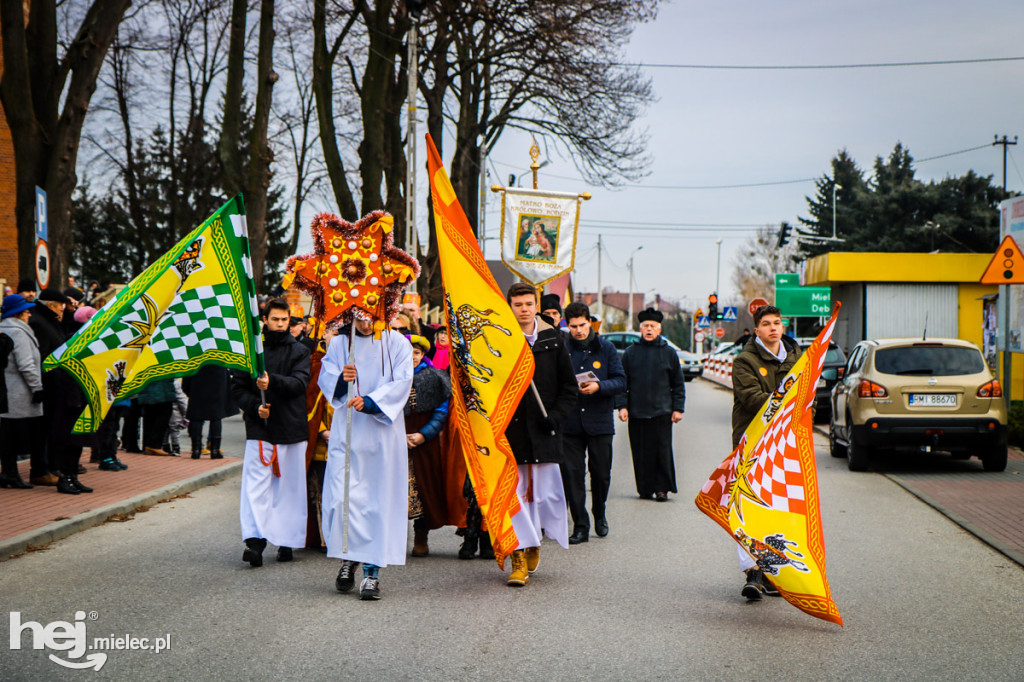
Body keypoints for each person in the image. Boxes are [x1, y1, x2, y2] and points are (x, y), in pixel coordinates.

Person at [318, 315, 413, 601]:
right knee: (344, 498)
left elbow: (402, 382)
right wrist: (340, 380)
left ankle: (372, 573)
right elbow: (327, 376)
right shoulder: (340, 345)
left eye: (371, 318)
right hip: (348, 431)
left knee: (376, 502)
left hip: (381, 435)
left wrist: (371, 402)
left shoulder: (396, 343)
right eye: (359, 317)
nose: (366, 324)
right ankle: (349, 560)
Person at [503, 282, 577, 587]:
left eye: (528, 304)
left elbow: (569, 388)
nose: (523, 310)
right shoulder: (502, 339)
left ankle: (535, 540)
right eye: (517, 304)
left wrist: (556, 418)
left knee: (544, 495)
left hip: (545, 431)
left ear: (536, 306)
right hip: (512, 431)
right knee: (515, 496)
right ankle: (518, 556)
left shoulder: (554, 340)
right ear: (510, 307)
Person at [230, 298, 312, 567]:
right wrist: (255, 407)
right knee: (256, 487)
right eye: (274, 319)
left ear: (290, 320)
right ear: (264, 320)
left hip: (291, 427)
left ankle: (286, 540)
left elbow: (300, 383)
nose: (279, 324)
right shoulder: (251, 352)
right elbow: (238, 389)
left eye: (284, 319)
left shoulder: (300, 350)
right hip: (260, 429)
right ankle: (255, 542)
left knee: (289, 488)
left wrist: (271, 381)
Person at [730, 304, 802, 602]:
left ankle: (773, 572)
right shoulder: (744, 361)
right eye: (767, 324)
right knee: (749, 508)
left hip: (786, 445)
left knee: (779, 510)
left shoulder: (797, 358)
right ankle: (754, 573)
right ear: (756, 330)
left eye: (777, 323)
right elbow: (751, 398)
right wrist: (787, 402)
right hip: (753, 444)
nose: (773, 328)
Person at [560, 301, 626, 543]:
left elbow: (620, 381)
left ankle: (600, 511)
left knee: (600, 474)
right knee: (573, 475)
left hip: (599, 422)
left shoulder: (606, 348)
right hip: (570, 423)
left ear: (590, 322)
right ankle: (580, 524)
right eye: (574, 326)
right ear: (567, 325)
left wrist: (599, 386)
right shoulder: (563, 349)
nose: (579, 330)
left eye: (583, 325)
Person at [616, 307, 685, 502]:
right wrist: (622, 406)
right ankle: (644, 488)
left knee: (662, 451)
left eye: (652, 326)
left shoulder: (669, 353)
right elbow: (623, 383)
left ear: (659, 329)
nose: (649, 329)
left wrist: (678, 409)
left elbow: (678, 384)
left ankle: (661, 489)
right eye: (646, 326)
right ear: (640, 328)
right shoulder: (630, 353)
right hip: (637, 412)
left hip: (662, 412)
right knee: (640, 451)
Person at [30, 288, 90, 493]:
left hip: (59, 385)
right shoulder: (39, 322)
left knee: (54, 430)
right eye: (61, 305)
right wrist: (40, 385)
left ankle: (57, 470)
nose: (64, 309)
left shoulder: (52, 321)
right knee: (45, 431)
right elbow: (40, 357)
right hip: (49, 386)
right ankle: (42, 469)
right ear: (52, 305)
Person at [404, 334, 452, 557]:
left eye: (417, 352)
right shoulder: (390, 377)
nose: (412, 357)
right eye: (408, 352)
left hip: (425, 440)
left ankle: (421, 535)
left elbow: (441, 412)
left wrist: (424, 435)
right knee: (396, 488)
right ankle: (391, 538)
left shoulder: (435, 377)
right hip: (396, 436)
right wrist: (397, 436)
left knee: (423, 487)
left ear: (423, 355)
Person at [0, 295, 45, 488]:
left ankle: (9, 473)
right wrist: (37, 387)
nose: (29, 314)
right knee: (14, 436)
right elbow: (26, 364)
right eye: (26, 311)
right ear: (19, 313)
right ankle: (11, 474)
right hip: (19, 392)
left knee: (7, 434)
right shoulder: (18, 332)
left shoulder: (5, 329)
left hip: (6, 390)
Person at [183, 365, 238, 459]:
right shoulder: (218, 353)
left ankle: (196, 450)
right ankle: (215, 450)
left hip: (196, 380)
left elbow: (186, 383)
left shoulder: (195, 352)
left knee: (196, 417)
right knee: (216, 417)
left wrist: (189, 390)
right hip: (217, 383)